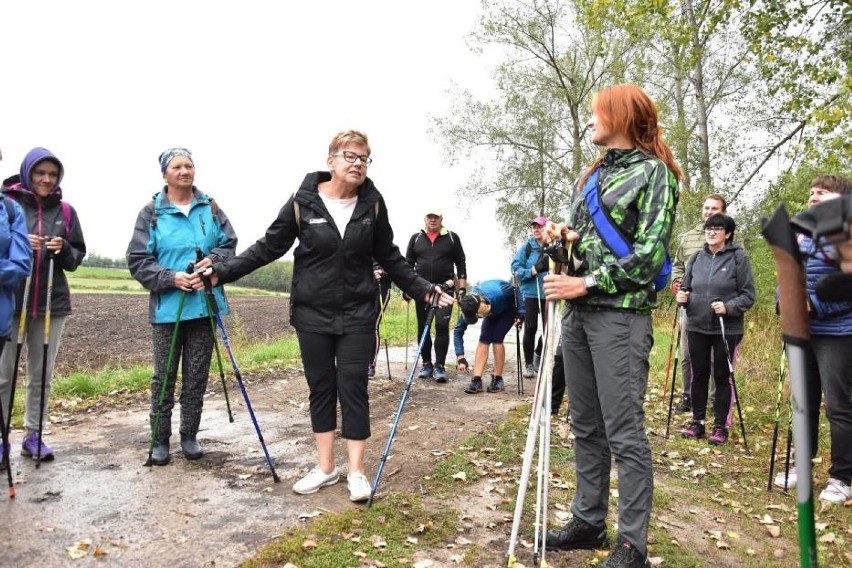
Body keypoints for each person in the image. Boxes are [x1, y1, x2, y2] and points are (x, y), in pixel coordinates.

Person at [202, 130, 453, 502]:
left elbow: (391, 257)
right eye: (350, 156)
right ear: (331, 160)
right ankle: (325, 468)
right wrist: (224, 271)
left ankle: (356, 472)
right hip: (312, 312)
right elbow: (270, 246)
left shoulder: (373, 204)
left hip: (357, 312)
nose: (357, 163)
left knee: (353, 385)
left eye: (364, 158)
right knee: (321, 387)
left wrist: (423, 289)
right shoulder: (303, 201)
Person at [543, 84, 680, 567]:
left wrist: (586, 283)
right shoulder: (593, 175)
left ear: (620, 115)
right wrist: (564, 241)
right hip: (579, 316)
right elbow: (587, 248)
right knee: (585, 424)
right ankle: (588, 519)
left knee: (624, 430)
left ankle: (632, 544)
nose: (590, 121)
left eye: (596, 112)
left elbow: (649, 257)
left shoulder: (655, 173)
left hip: (621, 317)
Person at [127, 148, 237, 466]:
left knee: (196, 374)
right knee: (163, 377)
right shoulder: (152, 213)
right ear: (165, 174)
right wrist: (171, 278)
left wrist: (213, 261)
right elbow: (137, 259)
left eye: (189, 165)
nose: (185, 170)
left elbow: (229, 244)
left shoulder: (210, 207)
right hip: (167, 308)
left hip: (204, 304)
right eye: (177, 166)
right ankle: (160, 440)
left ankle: (189, 436)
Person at [0, 147, 87, 462]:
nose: (46, 180)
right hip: (10, 300)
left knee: (41, 374)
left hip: (52, 302)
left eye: (52, 174)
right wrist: (23, 241)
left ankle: (34, 434)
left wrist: (62, 247)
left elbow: (76, 256)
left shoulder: (65, 211)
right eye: (40, 173)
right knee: (3, 374)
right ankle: (1, 438)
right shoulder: (7, 206)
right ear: (27, 173)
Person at [773, 175, 852, 503]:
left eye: (823, 191)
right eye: (811, 191)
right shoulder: (799, 234)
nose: (814, 195)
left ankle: (843, 477)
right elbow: (785, 274)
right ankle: (801, 466)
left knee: (838, 406)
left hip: (837, 333)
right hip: (802, 331)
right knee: (803, 403)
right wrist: (784, 303)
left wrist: (815, 304)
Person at [676, 213, 755, 445]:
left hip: (726, 328)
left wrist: (728, 307)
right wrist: (682, 297)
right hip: (697, 325)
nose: (711, 232)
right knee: (698, 374)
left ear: (727, 234)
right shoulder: (697, 258)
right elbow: (686, 287)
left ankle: (720, 427)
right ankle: (697, 422)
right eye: (709, 228)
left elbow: (749, 296)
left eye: (717, 228)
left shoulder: (738, 258)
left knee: (722, 376)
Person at [670, 194, 729, 413]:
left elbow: (739, 269)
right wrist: (677, 283)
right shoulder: (688, 237)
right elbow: (677, 266)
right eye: (706, 208)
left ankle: (714, 399)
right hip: (691, 306)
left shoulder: (731, 237)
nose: (709, 212)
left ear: (723, 212)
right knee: (687, 355)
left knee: (715, 358)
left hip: (718, 307)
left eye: (714, 208)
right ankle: (689, 397)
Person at [405, 207, 467, 382]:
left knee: (441, 326)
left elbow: (461, 263)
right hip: (422, 291)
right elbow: (408, 265)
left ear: (441, 218)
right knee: (423, 327)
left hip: (445, 290)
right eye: (429, 217)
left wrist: (461, 289)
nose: (432, 220)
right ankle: (426, 364)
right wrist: (408, 288)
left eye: (436, 217)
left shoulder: (452, 238)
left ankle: (439, 365)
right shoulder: (416, 238)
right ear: (425, 218)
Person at [0, 155, 32, 470]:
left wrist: (61, 249)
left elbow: (21, 264)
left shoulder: (10, 211)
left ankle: (26, 435)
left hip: (4, 313)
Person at [457, 279, 524, 394]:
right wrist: (460, 357)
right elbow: (458, 331)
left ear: (481, 303)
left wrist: (521, 313)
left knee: (497, 337)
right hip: (491, 309)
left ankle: (498, 378)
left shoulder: (500, 293)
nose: (479, 317)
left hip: (508, 308)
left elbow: (516, 290)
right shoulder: (469, 305)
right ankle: (476, 380)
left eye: (478, 315)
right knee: (484, 338)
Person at [511, 216, 549, 378]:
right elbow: (515, 267)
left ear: (546, 228)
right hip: (530, 293)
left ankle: (538, 353)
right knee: (531, 327)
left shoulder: (552, 245)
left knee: (549, 329)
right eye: (533, 227)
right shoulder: (527, 247)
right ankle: (528, 364)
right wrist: (531, 271)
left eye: (539, 226)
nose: (536, 229)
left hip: (549, 292)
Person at [368, 262, 392, 379]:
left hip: (381, 288)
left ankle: (370, 364)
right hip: (363, 288)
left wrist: (382, 272)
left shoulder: (384, 246)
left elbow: (396, 269)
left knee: (373, 325)